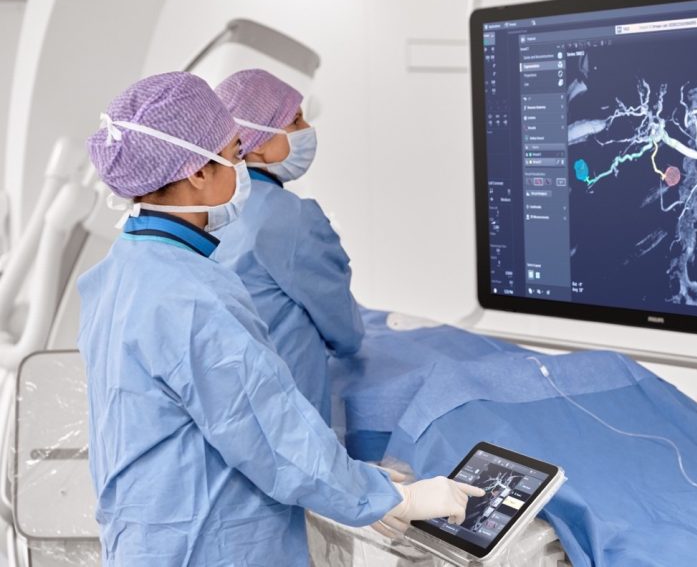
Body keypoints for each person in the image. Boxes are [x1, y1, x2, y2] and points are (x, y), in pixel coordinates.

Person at [79, 71, 482, 566]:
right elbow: (269, 433)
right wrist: (391, 498)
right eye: (233, 153)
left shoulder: (117, 271)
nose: (241, 168)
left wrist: (354, 484)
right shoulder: (192, 297)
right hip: (215, 545)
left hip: (147, 538)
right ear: (197, 173)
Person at [212, 69, 354, 424]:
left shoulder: (209, 209)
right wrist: (354, 337)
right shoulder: (289, 217)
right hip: (286, 415)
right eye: (295, 120)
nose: (307, 128)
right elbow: (344, 328)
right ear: (257, 142)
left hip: (226, 404)